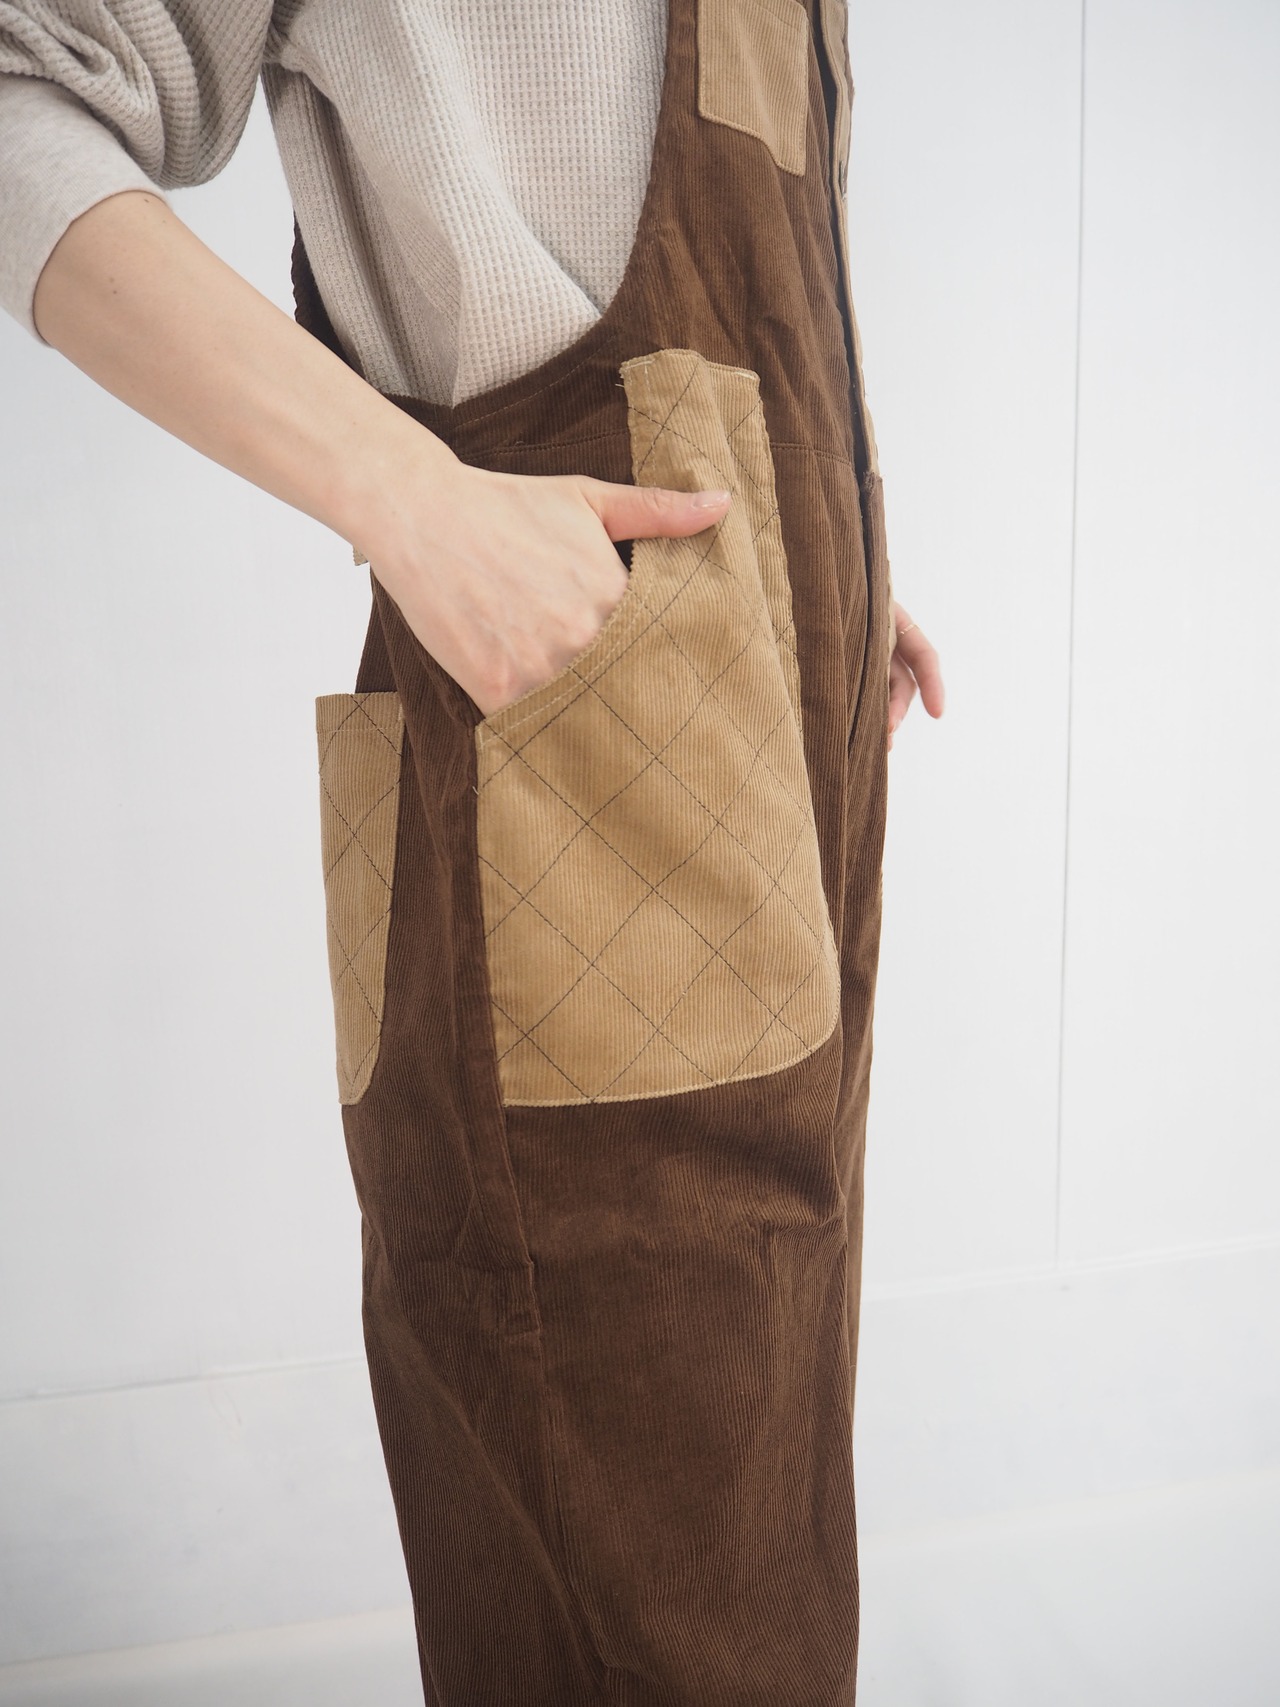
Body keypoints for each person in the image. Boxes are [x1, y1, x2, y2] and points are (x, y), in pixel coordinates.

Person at [1, 3, 944, 1701]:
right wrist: (406, 494)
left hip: (779, 729)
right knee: (646, 1604)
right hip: (570, 766)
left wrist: (828, 560)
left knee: (751, 1518)